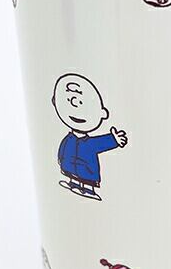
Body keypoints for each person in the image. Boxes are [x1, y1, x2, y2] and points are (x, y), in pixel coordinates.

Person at [52, 73, 127, 201]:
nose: (75, 105)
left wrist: (114, 139)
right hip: (70, 166)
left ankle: (88, 190)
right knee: (73, 177)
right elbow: (63, 148)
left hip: (87, 171)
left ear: (102, 113)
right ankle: (73, 184)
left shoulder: (89, 143)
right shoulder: (69, 139)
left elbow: (100, 143)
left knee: (87, 181)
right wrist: (60, 159)